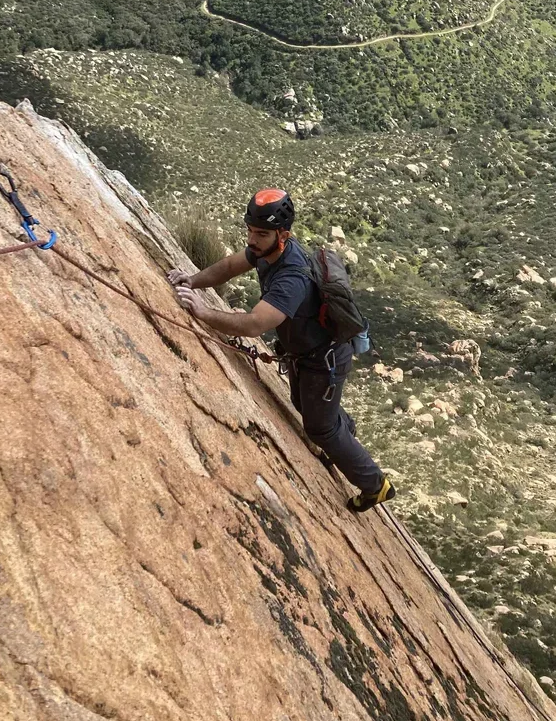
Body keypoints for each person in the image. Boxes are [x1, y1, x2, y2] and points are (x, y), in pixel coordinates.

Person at [169, 188, 395, 513]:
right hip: (308, 355)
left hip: (324, 360)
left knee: (320, 428)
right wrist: (192, 280)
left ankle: (376, 485)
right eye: (249, 230)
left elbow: (254, 325)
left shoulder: (291, 278)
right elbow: (231, 266)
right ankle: (346, 431)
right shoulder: (267, 250)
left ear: (282, 234)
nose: (252, 239)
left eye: (260, 233)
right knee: (301, 402)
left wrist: (203, 313)